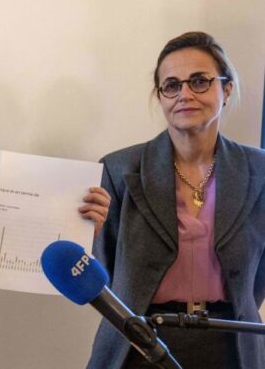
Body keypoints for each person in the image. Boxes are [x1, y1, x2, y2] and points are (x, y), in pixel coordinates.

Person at [88, 32, 265, 368]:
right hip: (138, 342)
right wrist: (89, 234)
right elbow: (105, 275)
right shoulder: (119, 169)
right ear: (160, 96)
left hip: (230, 344)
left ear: (226, 90)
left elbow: (256, 279)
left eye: (199, 81)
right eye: (171, 85)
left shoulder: (260, 171)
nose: (184, 94)